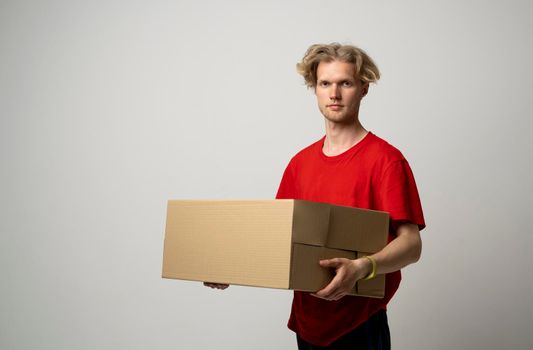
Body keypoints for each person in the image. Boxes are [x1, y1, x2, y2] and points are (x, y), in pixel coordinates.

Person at [206, 43, 426, 350]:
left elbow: (411, 245)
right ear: (315, 89)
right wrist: (229, 266)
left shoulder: (387, 161)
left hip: (361, 322)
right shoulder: (300, 164)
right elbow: (277, 237)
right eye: (325, 84)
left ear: (363, 88)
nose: (334, 94)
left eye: (345, 83)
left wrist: (363, 267)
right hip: (308, 325)